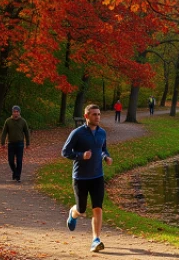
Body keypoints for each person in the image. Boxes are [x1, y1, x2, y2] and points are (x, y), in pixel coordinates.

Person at [63, 104, 113, 253]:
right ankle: (73, 213)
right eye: (94, 114)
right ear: (86, 116)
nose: (97, 117)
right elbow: (65, 152)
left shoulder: (102, 132)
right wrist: (80, 156)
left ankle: (95, 239)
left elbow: (103, 149)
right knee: (82, 209)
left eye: (98, 114)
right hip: (80, 177)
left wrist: (106, 157)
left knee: (97, 207)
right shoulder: (77, 133)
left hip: (97, 176)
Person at [0, 105, 31, 183]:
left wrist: (28, 143)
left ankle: (18, 176)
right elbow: (4, 132)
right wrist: (2, 142)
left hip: (20, 143)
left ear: (19, 112)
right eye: (14, 112)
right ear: (12, 112)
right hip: (11, 143)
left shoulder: (23, 121)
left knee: (19, 160)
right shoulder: (8, 121)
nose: (15, 113)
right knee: (10, 160)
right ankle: (14, 171)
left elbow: (27, 132)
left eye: (17, 112)